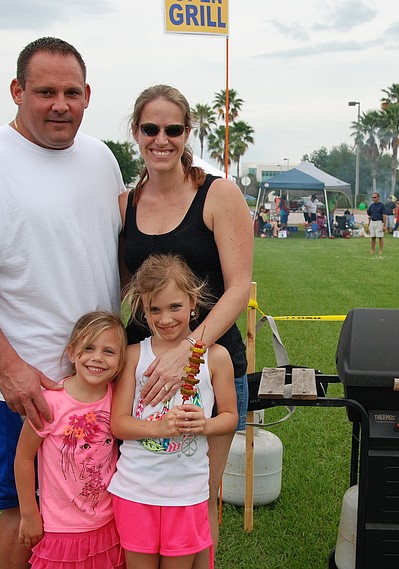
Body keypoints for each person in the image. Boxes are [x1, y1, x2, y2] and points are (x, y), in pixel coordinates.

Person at [0, 37, 125, 569]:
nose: (61, 103)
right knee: (23, 509)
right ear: (16, 91)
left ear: (87, 96)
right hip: (26, 388)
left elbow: (116, 250)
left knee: (99, 501)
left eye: (72, 92)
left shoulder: (101, 158)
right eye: (45, 91)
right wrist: (10, 369)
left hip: (99, 382)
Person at [119, 84, 252, 568]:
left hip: (209, 366)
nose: (161, 139)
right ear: (136, 132)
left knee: (199, 497)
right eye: (150, 128)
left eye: (172, 129)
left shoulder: (218, 194)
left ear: (187, 133)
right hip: (145, 373)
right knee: (146, 490)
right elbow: (125, 287)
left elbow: (238, 288)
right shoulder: (126, 203)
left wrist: (187, 354)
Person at [110, 253, 237, 569]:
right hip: (135, 491)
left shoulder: (217, 357)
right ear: (143, 308)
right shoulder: (134, 356)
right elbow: (119, 424)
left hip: (187, 493)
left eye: (175, 307)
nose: (165, 318)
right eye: (155, 309)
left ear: (193, 302)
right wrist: (157, 428)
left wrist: (204, 425)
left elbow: (231, 418)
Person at [14, 311, 127, 569]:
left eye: (109, 351)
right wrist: (29, 512)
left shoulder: (118, 399)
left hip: (109, 523)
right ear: (72, 352)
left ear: (120, 362)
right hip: (61, 528)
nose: (97, 358)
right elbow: (23, 457)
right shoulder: (50, 403)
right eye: (89, 348)